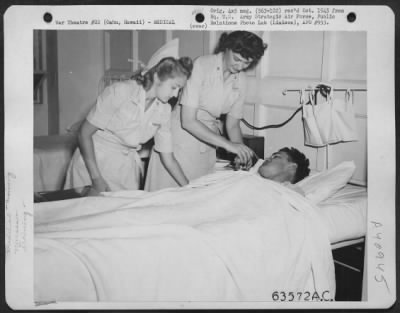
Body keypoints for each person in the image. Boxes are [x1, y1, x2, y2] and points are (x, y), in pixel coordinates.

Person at [64, 39, 193, 195]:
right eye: (174, 87)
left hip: (124, 170)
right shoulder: (120, 92)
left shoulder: (163, 110)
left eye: (179, 90)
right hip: (93, 165)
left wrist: (190, 189)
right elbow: (84, 134)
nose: (175, 95)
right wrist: (96, 179)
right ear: (158, 77)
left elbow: (168, 159)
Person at [145, 31, 268, 191]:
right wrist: (229, 146)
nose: (240, 67)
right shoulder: (202, 65)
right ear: (227, 48)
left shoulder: (241, 79)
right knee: (167, 198)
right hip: (179, 141)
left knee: (195, 200)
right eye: (237, 59)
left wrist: (240, 151)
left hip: (208, 144)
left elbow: (232, 124)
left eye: (246, 63)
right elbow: (188, 121)